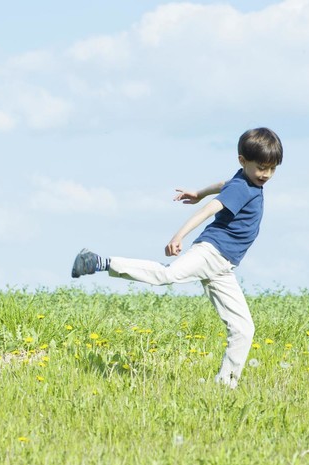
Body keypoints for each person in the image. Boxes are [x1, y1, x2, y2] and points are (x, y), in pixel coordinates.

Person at [71, 128, 283, 388]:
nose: (266, 175)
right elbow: (209, 210)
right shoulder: (243, 188)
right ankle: (99, 262)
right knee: (167, 274)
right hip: (210, 252)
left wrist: (199, 192)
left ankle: (224, 386)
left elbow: (223, 185)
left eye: (272, 169)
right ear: (243, 161)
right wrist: (179, 235)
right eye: (261, 168)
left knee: (244, 329)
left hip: (223, 267)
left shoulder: (244, 181)